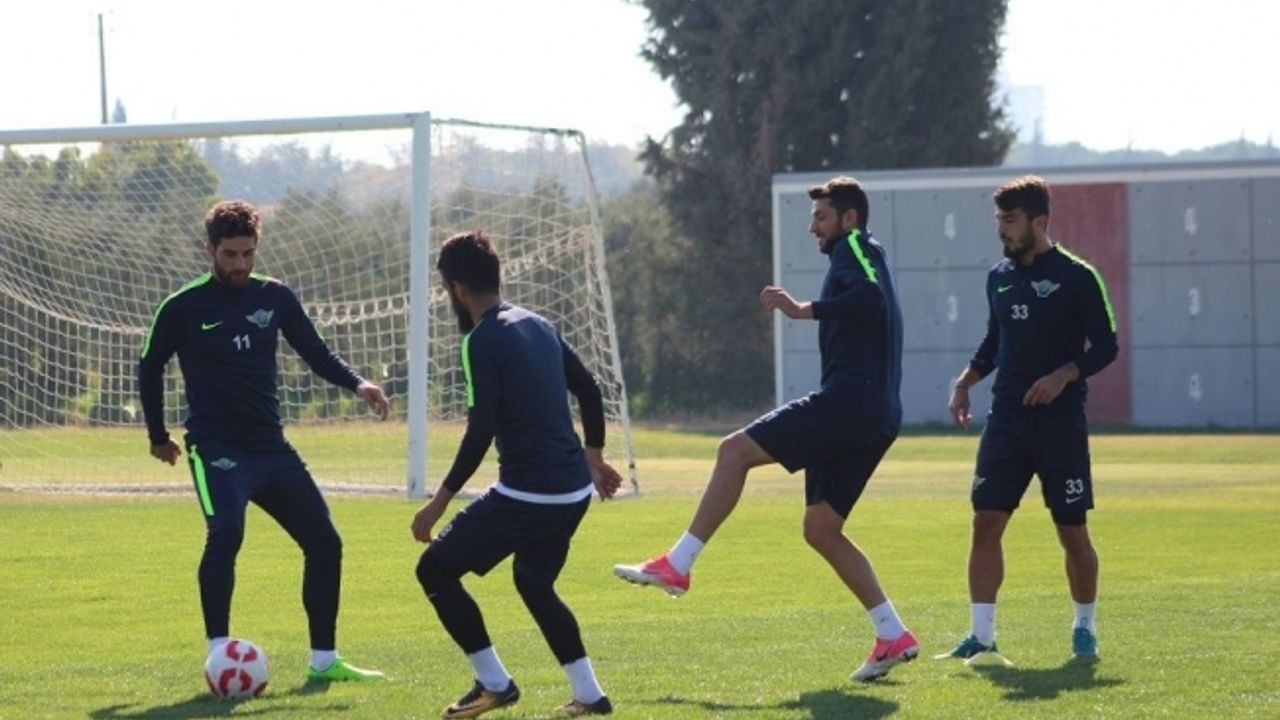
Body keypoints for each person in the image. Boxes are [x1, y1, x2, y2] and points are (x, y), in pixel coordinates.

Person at [614, 176, 917, 682]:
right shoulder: (866, 253)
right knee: (821, 529)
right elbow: (870, 302)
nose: (813, 227)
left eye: (821, 217)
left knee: (733, 451)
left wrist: (802, 309)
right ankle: (892, 634)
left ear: (849, 218)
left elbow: (870, 299)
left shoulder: (856, 247)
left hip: (851, 404)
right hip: (878, 414)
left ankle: (678, 564)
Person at [138, 200, 389, 682]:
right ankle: (219, 656)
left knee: (325, 542)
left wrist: (358, 383)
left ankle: (324, 662)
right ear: (210, 250)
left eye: (248, 254)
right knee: (227, 533)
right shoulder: (182, 306)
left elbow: (314, 351)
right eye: (230, 254)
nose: (240, 264)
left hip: (271, 448)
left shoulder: (274, 297)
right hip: (216, 448)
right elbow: (149, 367)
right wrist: (157, 436)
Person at [411, 230, 624, 719]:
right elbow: (590, 390)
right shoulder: (538, 324)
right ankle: (590, 696)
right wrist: (593, 458)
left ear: (456, 287)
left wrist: (438, 501)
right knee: (533, 580)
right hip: (572, 492)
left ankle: (494, 685)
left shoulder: (481, 340)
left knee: (435, 570)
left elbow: (480, 431)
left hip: (530, 495)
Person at [937, 175, 1118, 664]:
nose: (1002, 229)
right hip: (1006, 422)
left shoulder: (1078, 276)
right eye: (999, 219)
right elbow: (995, 341)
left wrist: (1064, 374)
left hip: (1060, 425)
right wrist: (965, 381)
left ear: (1039, 222)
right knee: (985, 522)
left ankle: (1084, 628)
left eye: (1011, 220)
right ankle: (982, 637)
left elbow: (1107, 346)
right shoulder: (998, 276)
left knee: (1071, 531)